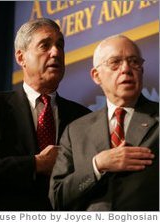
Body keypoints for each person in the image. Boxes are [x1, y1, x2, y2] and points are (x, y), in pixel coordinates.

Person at [0, 18, 91, 211]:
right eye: (45, 45)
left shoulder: (82, 116)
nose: (56, 52)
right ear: (21, 58)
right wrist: (36, 164)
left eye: (60, 45)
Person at [49, 35, 159, 211]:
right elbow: (57, 197)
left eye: (134, 62)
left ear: (142, 70)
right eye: (115, 62)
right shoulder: (75, 131)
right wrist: (97, 166)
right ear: (96, 75)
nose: (126, 69)